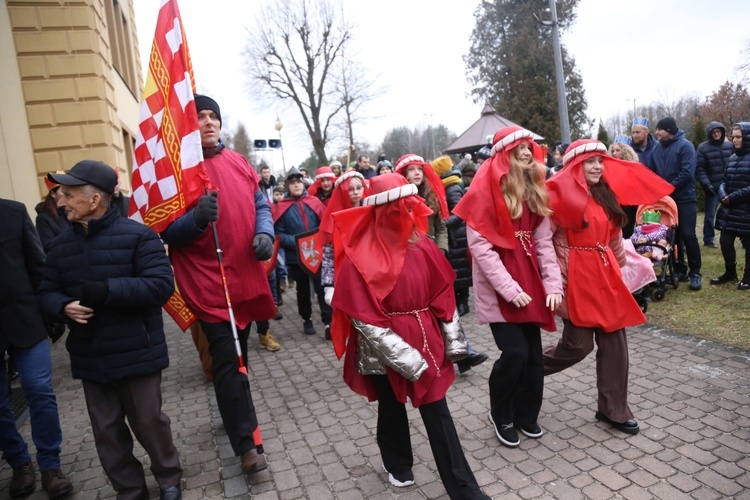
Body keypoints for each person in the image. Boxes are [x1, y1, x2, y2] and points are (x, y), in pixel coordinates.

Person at [328, 174, 490, 500]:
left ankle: (465, 490)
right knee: (390, 404)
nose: (407, 210)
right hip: (385, 345)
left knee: (437, 411)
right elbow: (364, 318)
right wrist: (406, 358)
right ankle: (397, 462)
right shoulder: (360, 254)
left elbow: (443, 294)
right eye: (398, 205)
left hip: (426, 336)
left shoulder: (423, 243)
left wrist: (454, 341)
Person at [39, 160, 181, 499]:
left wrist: (109, 290)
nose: (61, 201)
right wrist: (62, 306)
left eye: (69, 194)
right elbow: (45, 292)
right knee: (106, 430)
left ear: (95, 199)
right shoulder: (59, 246)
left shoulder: (139, 236)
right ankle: (130, 490)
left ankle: (169, 479)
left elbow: (161, 286)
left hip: (137, 350)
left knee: (149, 422)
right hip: (91, 355)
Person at [160, 94, 275, 475]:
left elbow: (261, 204)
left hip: (243, 277)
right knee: (227, 362)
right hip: (209, 286)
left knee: (241, 358)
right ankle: (246, 445)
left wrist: (264, 232)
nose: (208, 122)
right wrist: (194, 220)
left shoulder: (239, 161)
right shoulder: (176, 171)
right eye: (199, 116)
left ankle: (243, 421)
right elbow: (163, 231)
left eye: (213, 116)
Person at [544, 140, 673, 436]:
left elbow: (614, 233)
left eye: (600, 161)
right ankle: (525, 370)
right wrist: (554, 282)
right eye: (590, 161)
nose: (597, 167)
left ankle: (612, 409)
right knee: (577, 345)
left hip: (604, 275)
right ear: (575, 165)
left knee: (616, 345)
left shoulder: (605, 194)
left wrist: (623, 267)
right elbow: (544, 243)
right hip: (574, 277)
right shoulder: (558, 196)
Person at [454, 127, 562, 447]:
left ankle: (527, 414)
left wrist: (553, 284)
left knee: (533, 357)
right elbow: (482, 250)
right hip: (503, 289)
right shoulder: (485, 192)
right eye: (520, 148)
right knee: (514, 353)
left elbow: (544, 243)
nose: (527, 153)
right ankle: (501, 413)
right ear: (505, 154)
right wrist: (509, 289)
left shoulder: (535, 189)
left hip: (531, 283)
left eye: (530, 147)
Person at [1, 199, 73, 499]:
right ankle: (19, 462)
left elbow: (39, 267)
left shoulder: (12, 212)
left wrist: (51, 311)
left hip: (24, 321)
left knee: (39, 389)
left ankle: (50, 465)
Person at [429, 156, 489, 374]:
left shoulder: (450, 188)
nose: (417, 174)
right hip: (426, 254)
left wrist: (442, 237)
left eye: (420, 169)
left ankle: (464, 353)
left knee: (446, 305)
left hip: (446, 246)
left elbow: (455, 215)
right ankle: (461, 354)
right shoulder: (437, 189)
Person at [273, 168, 332, 336]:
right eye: (292, 183)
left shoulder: (313, 202)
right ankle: (307, 319)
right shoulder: (282, 207)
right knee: (303, 289)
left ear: (303, 183)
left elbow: (324, 224)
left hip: (317, 253)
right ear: (287, 186)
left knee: (322, 287)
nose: (296, 185)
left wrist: (317, 240)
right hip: (296, 256)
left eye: (298, 182)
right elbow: (279, 234)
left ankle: (328, 322)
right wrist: (298, 242)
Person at [649, 116, 702, 290]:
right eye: (657, 129)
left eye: (660, 129)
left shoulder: (685, 146)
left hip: (684, 198)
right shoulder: (656, 149)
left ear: (670, 130)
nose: (657, 132)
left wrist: (668, 187)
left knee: (687, 234)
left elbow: (687, 172)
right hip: (665, 200)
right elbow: (653, 172)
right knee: (673, 237)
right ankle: (680, 270)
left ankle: (695, 273)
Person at [712, 123, 750, 290]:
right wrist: (722, 194)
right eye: (733, 136)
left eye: (738, 137)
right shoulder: (732, 158)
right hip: (730, 209)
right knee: (725, 241)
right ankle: (730, 273)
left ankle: (748, 276)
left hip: (746, 210)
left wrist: (732, 197)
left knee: (748, 245)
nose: (734, 140)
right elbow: (724, 180)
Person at [394, 154, 449, 254]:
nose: (417, 173)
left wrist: (441, 250)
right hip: (409, 256)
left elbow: (441, 227)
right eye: (411, 169)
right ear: (403, 173)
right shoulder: (397, 200)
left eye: (420, 169)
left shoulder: (430, 195)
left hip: (432, 253)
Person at [696, 122, 732, 248]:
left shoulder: (729, 146)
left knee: (733, 213)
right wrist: (707, 184)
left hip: (729, 185)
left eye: (718, 131)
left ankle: (732, 234)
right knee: (710, 215)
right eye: (713, 132)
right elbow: (700, 169)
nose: (716, 134)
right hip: (713, 186)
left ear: (722, 132)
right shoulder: (703, 148)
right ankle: (708, 238)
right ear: (710, 134)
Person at [608, 139, 641, 238]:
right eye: (613, 151)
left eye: (618, 150)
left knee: (627, 231)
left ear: (625, 151)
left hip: (629, 205)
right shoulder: (609, 167)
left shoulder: (633, 167)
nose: (615, 153)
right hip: (614, 203)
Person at [35, 174, 73, 253]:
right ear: (53, 194)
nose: (67, 195)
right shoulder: (43, 219)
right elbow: (48, 247)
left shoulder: (73, 211)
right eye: (63, 191)